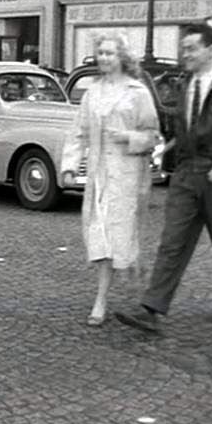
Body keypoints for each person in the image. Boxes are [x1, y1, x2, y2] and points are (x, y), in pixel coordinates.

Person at [115, 24, 212, 333]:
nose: (185, 54)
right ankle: (151, 309)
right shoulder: (186, 83)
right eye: (184, 49)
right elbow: (182, 125)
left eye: (191, 48)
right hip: (186, 175)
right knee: (172, 242)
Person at [61, 33, 160, 326]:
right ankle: (101, 299)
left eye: (110, 53)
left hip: (128, 177)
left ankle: (132, 277)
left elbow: (153, 136)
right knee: (99, 236)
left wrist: (128, 137)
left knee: (121, 238)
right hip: (98, 176)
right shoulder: (92, 92)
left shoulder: (137, 92)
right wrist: (69, 165)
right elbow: (78, 131)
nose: (104, 58)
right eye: (101, 53)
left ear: (122, 58)